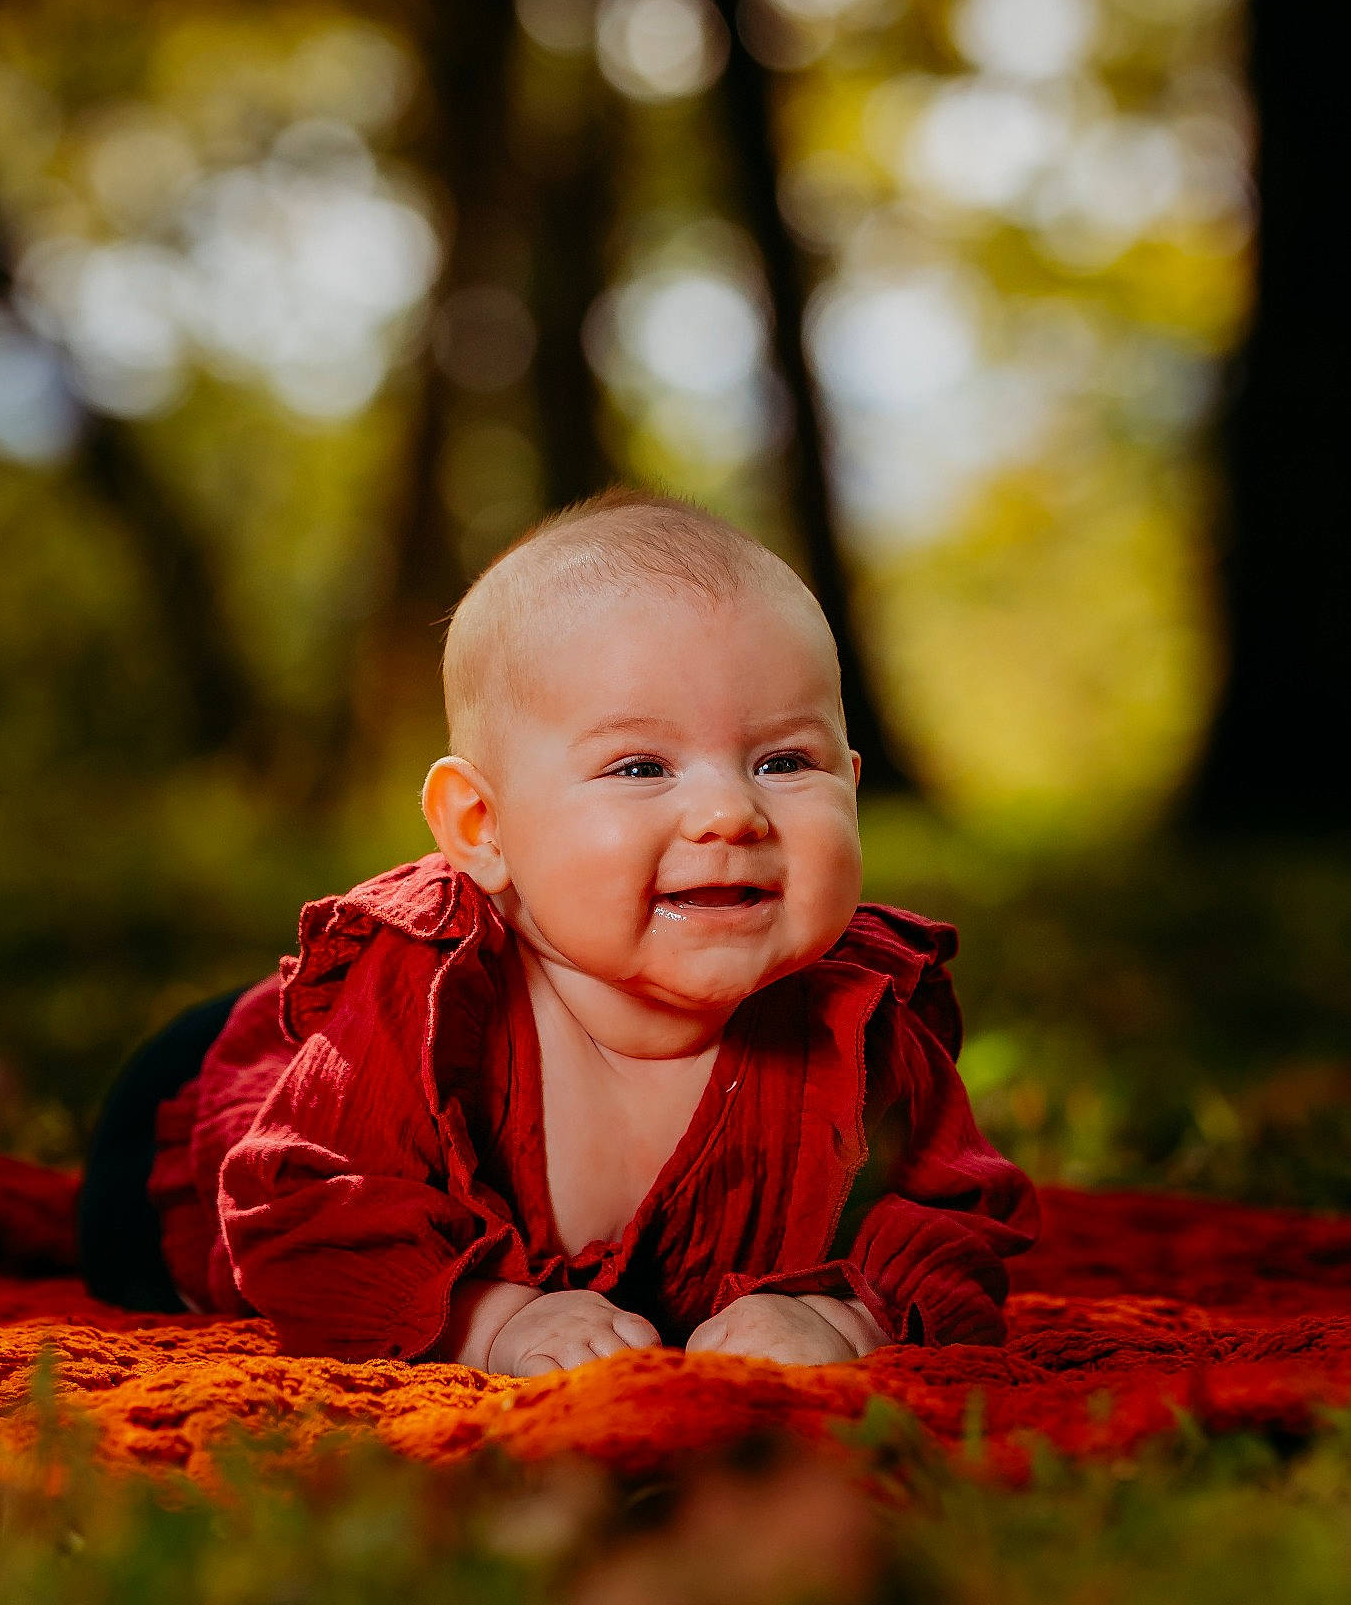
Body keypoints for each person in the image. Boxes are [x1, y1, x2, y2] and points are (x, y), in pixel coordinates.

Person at [78, 489, 1037, 1372]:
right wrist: (491, 1320)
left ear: (853, 785)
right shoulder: (427, 993)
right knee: (134, 1253)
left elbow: (951, 1218)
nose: (728, 814)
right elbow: (304, 1213)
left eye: (784, 762)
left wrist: (844, 1319)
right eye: (639, 768)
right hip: (223, 1098)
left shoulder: (861, 1019)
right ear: (481, 828)